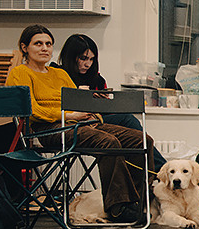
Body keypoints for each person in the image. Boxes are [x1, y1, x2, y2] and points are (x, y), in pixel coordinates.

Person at [5, 24, 154, 223]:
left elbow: (80, 102)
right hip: (45, 130)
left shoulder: (60, 74)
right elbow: (32, 111)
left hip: (78, 124)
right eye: (38, 43)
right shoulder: (20, 73)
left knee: (141, 140)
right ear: (25, 48)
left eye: (48, 44)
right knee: (108, 142)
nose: (44, 48)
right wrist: (70, 116)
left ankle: (136, 202)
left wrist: (93, 118)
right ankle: (118, 207)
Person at [56, 33, 166, 172]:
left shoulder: (96, 79)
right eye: (83, 58)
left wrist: (101, 101)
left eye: (91, 59)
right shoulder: (58, 74)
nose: (88, 64)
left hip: (97, 119)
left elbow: (106, 109)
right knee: (128, 122)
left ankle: (153, 173)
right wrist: (80, 95)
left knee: (134, 133)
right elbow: (55, 101)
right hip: (72, 123)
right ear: (71, 57)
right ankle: (161, 169)